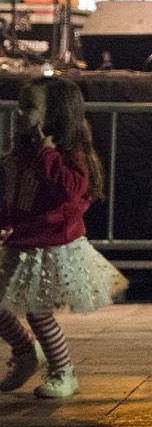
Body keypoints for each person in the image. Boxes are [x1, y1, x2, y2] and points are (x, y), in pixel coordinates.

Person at [0, 78, 125, 399]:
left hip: (49, 246)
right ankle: (26, 351)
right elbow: (13, 195)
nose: (18, 113)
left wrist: (47, 155)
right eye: (19, 104)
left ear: (53, 115)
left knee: (38, 313)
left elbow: (71, 189)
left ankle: (62, 371)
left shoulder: (67, 154)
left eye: (29, 107)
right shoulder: (22, 152)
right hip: (21, 241)